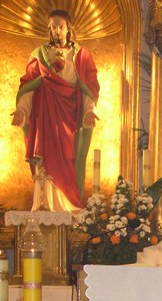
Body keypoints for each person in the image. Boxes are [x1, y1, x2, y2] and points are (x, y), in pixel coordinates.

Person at [11, 9, 99, 211]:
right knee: (46, 157)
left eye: (60, 27)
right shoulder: (39, 55)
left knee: (69, 158)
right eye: (53, 27)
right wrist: (22, 110)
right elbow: (28, 86)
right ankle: (46, 204)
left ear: (68, 29)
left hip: (70, 116)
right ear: (49, 29)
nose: (57, 31)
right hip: (45, 116)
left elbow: (89, 86)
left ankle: (69, 205)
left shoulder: (81, 55)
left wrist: (89, 110)